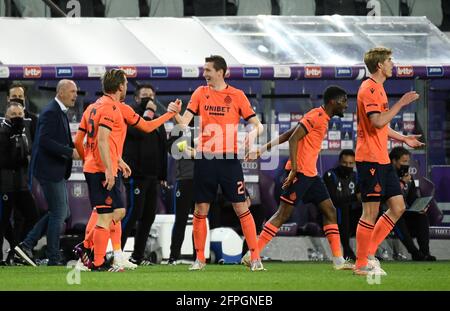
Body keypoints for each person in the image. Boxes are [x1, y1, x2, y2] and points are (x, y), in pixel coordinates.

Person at [73, 69, 180, 271]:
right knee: (108, 214)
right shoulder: (111, 108)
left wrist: (112, 159)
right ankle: (90, 254)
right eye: (125, 83)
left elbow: (80, 141)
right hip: (104, 170)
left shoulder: (95, 108)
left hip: (99, 166)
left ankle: (111, 254)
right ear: (121, 86)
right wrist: (107, 167)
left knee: (111, 212)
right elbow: (103, 141)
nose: (126, 87)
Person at [244, 85, 353, 271]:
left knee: (330, 211)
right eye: (343, 101)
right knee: (282, 215)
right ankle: (252, 254)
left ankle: (338, 261)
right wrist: (294, 169)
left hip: (310, 174)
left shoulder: (320, 116)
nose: (346, 105)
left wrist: (262, 149)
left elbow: (289, 134)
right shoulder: (316, 116)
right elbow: (294, 139)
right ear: (333, 102)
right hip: (300, 173)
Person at [174, 55, 265, 271]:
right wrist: (176, 114)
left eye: (208, 70)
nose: (204, 74)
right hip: (205, 159)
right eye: (204, 70)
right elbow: (185, 123)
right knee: (200, 208)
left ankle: (255, 258)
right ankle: (199, 260)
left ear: (221, 72)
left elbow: (258, 125)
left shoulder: (237, 95)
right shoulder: (199, 93)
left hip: (229, 160)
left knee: (241, 207)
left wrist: (252, 136)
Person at [354, 47, 424, 275]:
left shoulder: (379, 89)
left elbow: (382, 125)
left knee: (398, 207)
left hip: (381, 159)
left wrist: (404, 138)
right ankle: (361, 264)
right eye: (389, 61)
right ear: (379, 66)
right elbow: (376, 121)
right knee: (370, 212)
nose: (392, 64)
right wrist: (401, 103)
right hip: (369, 159)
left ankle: (369, 255)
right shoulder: (369, 89)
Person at [14, 79, 80, 266]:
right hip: (49, 170)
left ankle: (27, 244)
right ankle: (53, 257)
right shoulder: (51, 112)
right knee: (59, 212)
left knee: (61, 211)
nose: (75, 95)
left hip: (55, 170)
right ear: (61, 92)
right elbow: (43, 141)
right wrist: (69, 152)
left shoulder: (58, 111)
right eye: (72, 91)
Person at [121, 84, 169, 265]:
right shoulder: (130, 116)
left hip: (153, 176)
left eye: (151, 96)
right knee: (133, 214)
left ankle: (138, 256)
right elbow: (140, 131)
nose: (149, 99)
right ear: (136, 98)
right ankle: (117, 252)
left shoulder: (157, 120)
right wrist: (148, 112)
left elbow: (162, 147)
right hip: (136, 175)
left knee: (149, 216)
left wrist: (162, 175)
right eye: (144, 96)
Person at [0, 103, 39, 265]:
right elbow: (4, 161)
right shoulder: (2, 133)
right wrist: (21, 159)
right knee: (2, 222)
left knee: (33, 216)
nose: (17, 117)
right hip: (5, 186)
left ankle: (18, 249)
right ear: (6, 116)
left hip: (21, 185)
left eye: (20, 114)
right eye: (13, 114)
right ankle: (7, 254)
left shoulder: (24, 132)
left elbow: (28, 153)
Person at [388, 147, 436, 261]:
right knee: (397, 218)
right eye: (404, 161)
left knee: (421, 216)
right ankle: (414, 252)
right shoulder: (387, 175)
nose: (407, 164)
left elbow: (412, 198)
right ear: (394, 161)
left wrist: (419, 206)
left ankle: (425, 252)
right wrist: (402, 182)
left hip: (404, 212)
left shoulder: (408, 177)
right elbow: (387, 197)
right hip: (388, 213)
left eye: (408, 161)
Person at [323, 149, 361, 261]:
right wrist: (354, 198)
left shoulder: (356, 176)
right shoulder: (330, 175)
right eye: (345, 163)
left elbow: (361, 196)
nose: (347, 166)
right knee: (343, 208)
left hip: (353, 214)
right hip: (335, 213)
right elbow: (332, 200)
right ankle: (347, 250)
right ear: (339, 162)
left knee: (371, 210)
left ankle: (369, 251)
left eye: (350, 164)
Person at [167, 124, 196, 265]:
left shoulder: (205, 129)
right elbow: (172, 149)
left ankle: (199, 256)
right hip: (184, 179)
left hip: (201, 179)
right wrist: (188, 147)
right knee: (181, 219)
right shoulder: (177, 130)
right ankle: (173, 256)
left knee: (199, 219)